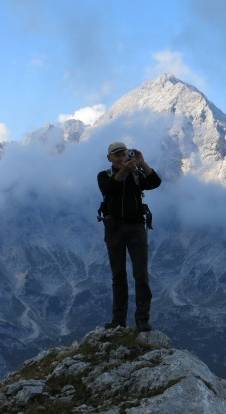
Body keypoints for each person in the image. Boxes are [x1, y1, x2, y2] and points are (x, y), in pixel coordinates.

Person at [97, 142, 162, 332]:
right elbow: (110, 190)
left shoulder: (136, 174)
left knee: (140, 274)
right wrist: (124, 171)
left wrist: (142, 163)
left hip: (136, 228)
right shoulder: (104, 176)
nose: (119, 157)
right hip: (114, 228)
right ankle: (118, 321)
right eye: (116, 155)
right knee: (118, 275)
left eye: (123, 153)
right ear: (109, 158)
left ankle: (142, 320)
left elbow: (155, 182)